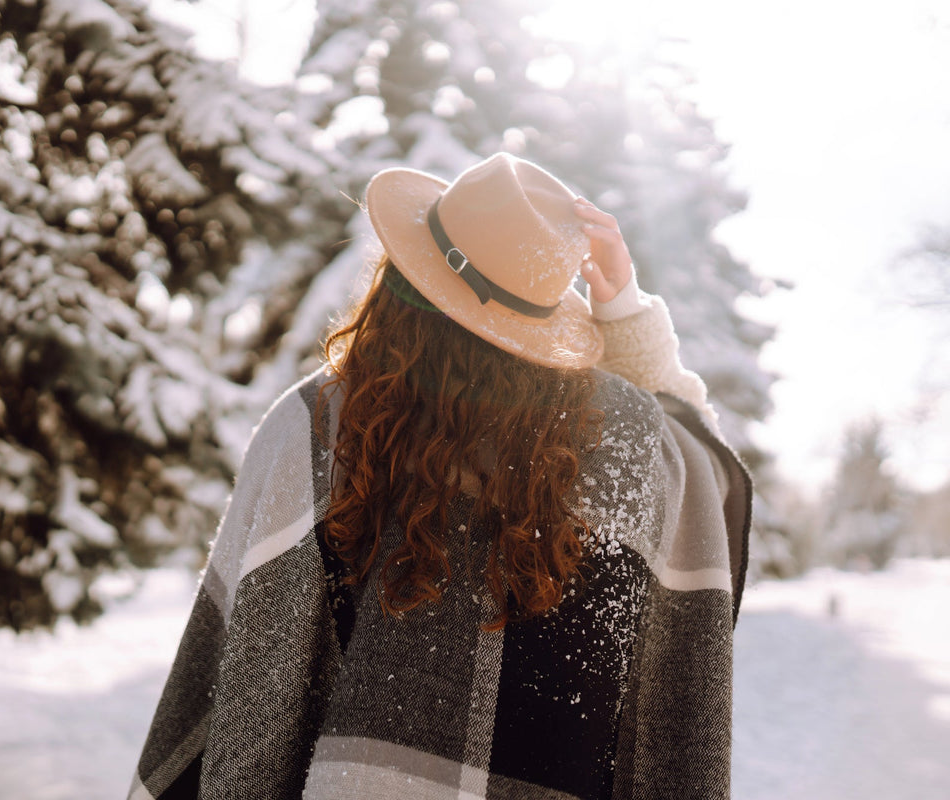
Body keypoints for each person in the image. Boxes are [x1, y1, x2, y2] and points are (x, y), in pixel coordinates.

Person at [127, 153, 752, 800]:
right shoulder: (627, 444)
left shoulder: (315, 426)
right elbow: (710, 469)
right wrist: (624, 311)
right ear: (539, 316)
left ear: (405, 269)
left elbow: (242, 682)